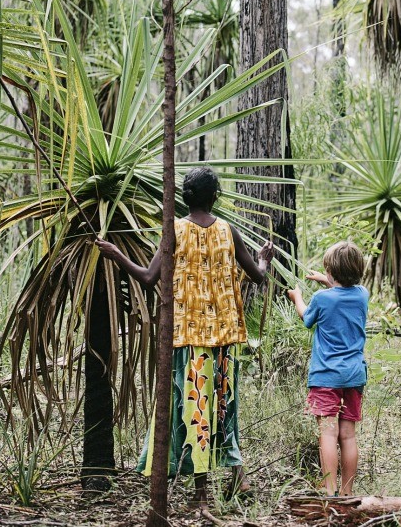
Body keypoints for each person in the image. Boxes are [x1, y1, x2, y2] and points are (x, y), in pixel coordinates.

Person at [95, 166, 273, 507]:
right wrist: (264, 259)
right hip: (223, 339)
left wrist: (117, 255)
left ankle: (202, 493)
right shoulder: (228, 231)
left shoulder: (174, 231)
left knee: (194, 408)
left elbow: (149, 278)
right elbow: (257, 276)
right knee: (221, 408)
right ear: (216, 197)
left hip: (187, 338)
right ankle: (234, 478)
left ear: (184, 198)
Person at [288, 241, 368, 496]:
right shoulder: (363, 294)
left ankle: (330, 490)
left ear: (331, 271)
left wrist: (297, 297)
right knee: (348, 435)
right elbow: (344, 293)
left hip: (326, 376)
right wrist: (328, 279)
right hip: (354, 376)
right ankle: (347, 492)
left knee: (328, 434)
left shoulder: (321, 299)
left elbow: (307, 319)